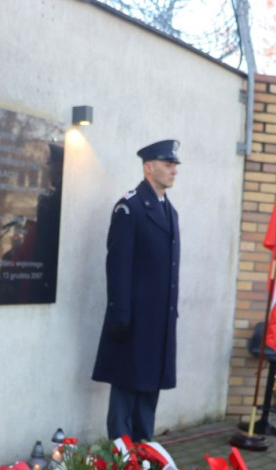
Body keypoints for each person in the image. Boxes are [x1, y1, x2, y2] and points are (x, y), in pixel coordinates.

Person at [92, 140, 181, 441]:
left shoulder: (170, 212)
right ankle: (119, 457)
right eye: (168, 164)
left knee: (149, 391)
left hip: (159, 321)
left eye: (175, 165)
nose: (174, 170)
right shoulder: (130, 208)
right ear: (148, 168)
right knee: (126, 389)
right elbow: (118, 265)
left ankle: (144, 455)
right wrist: (120, 314)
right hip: (134, 319)